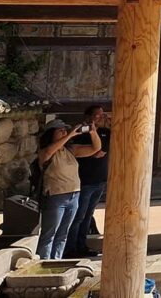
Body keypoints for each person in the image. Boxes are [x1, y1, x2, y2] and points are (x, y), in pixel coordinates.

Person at [36, 118, 101, 260]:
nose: (65, 132)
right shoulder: (45, 152)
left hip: (74, 195)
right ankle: (43, 262)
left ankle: (56, 261)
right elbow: (48, 151)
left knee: (63, 233)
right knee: (49, 233)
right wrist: (70, 134)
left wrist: (93, 132)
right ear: (51, 134)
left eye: (65, 130)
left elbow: (95, 148)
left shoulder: (70, 150)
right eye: (60, 131)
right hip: (56, 196)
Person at [66, 105, 110, 258]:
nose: (101, 117)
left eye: (102, 114)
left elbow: (101, 151)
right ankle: (71, 247)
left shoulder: (106, 133)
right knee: (78, 216)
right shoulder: (80, 135)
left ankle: (82, 245)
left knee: (88, 215)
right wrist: (90, 131)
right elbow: (94, 152)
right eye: (97, 115)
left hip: (100, 180)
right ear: (88, 116)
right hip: (84, 181)